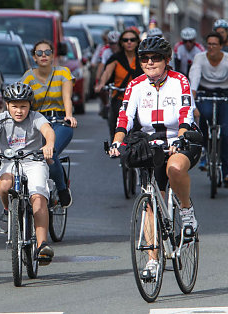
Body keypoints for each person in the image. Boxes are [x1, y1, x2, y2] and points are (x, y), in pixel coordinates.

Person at [110, 37, 201, 278]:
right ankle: (152, 261)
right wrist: (118, 141)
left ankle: (186, 212)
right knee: (150, 203)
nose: (150, 62)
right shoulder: (135, 85)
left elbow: (185, 113)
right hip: (151, 145)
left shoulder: (179, 81)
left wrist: (181, 138)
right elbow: (125, 117)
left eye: (156, 58)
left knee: (174, 168)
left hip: (182, 138)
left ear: (167, 60)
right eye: (145, 58)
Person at [0, 82, 56, 264]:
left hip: (34, 162)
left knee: (38, 199)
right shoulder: (1, 118)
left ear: (30, 105)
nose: (19, 111)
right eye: (14, 106)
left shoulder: (36, 117)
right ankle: (7, 210)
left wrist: (48, 145)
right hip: (9, 161)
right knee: (4, 185)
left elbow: (48, 131)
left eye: (23, 106)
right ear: (7, 105)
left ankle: (42, 245)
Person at [21, 40, 77, 208]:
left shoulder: (63, 72)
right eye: (39, 53)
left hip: (60, 121)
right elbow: (20, 100)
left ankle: (62, 189)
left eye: (47, 52)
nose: (43, 56)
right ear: (34, 57)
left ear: (53, 55)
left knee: (50, 153)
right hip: (37, 123)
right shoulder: (29, 76)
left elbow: (67, 97)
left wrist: (69, 115)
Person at [189, 31, 228, 185]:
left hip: (224, 95)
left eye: (215, 44)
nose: (211, 47)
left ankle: (226, 171)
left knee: (225, 133)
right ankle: (205, 149)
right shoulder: (200, 58)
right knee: (204, 116)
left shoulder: (226, 60)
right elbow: (194, 79)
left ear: (221, 46)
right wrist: (192, 104)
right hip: (205, 93)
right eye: (209, 44)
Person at [94, 29, 144, 141]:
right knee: (115, 121)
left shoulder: (143, 58)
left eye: (132, 40)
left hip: (139, 98)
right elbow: (107, 72)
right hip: (120, 97)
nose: (129, 42)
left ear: (137, 42)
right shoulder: (116, 58)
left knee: (140, 124)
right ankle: (116, 143)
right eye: (126, 40)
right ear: (121, 43)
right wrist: (101, 84)